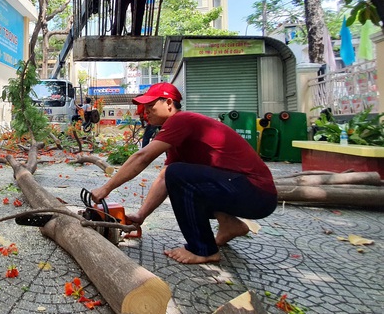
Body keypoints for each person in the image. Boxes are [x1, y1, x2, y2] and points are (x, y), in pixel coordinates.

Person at [91, 83, 277, 264]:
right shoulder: (178, 138)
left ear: (169, 104)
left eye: (150, 106)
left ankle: (203, 250)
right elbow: (165, 178)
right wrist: (141, 215)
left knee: (178, 174)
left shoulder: (181, 120)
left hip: (256, 192)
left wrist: (106, 188)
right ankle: (230, 224)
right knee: (178, 175)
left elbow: (142, 157)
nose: (146, 112)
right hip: (245, 192)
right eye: (144, 107)